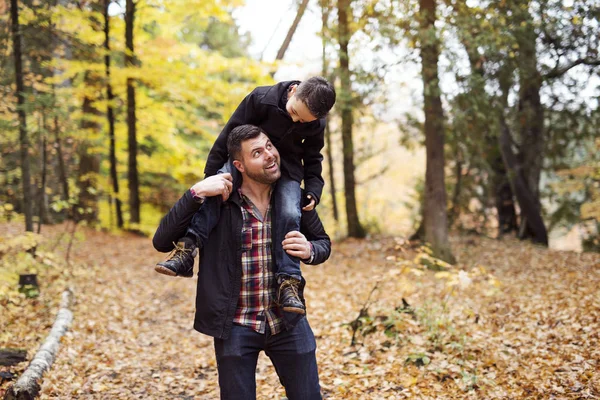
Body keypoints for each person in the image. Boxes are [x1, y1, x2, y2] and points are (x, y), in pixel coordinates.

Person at [152, 125, 330, 399]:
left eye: (269, 146)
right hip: (235, 325)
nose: (270, 155)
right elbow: (162, 240)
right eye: (257, 152)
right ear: (240, 165)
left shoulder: (292, 197)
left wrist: (310, 250)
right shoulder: (217, 202)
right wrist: (196, 191)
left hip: (288, 323)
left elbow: (323, 243)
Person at [155, 77, 336, 315]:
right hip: (247, 159)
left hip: (288, 168)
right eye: (294, 112)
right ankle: (187, 250)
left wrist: (313, 189)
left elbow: (314, 158)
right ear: (292, 91)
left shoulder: (316, 124)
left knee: (291, 212)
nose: (295, 120)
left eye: (302, 121)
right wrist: (210, 176)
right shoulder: (261, 99)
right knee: (218, 191)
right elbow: (228, 134)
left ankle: (289, 282)